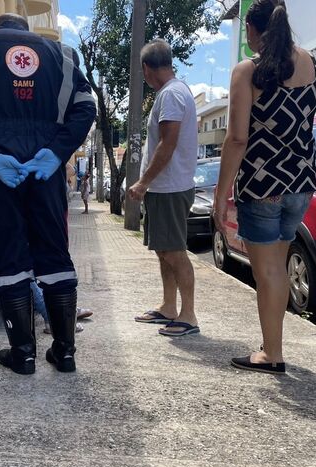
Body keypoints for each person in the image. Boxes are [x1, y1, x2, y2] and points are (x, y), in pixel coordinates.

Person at [0, 13, 96, 374]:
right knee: (55, 253)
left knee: (9, 256)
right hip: (46, 170)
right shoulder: (64, 55)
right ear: (25, 33)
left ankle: (23, 354)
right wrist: (57, 151)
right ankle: (65, 352)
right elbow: (86, 107)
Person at [213, 0, 316, 375]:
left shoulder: (248, 71)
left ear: (254, 31)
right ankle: (271, 344)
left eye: (247, 31)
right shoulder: (310, 62)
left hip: (262, 185)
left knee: (267, 273)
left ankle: (272, 353)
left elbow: (237, 138)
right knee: (278, 265)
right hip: (301, 183)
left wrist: (221, 192)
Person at [0, 178, 91, 333]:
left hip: (9, 285)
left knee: (33, 266)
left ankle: (62, 310)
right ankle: (55, 318)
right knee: (15, 269)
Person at [127, 39, 199, 337]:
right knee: (163, 251)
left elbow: (167, 144)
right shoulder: (174, 92)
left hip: (169, 188)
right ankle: (169, 307)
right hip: (165, 188)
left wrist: (143, 182)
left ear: (146, 68)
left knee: (174, 252)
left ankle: (189, 315)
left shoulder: (171, 95)